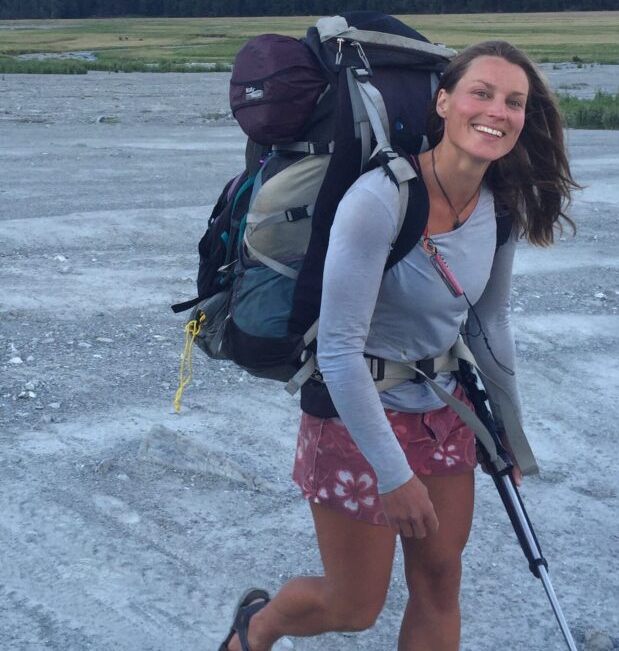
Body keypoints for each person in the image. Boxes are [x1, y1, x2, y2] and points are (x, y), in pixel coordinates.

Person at [219, 39, 577, 651]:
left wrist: (509, 438)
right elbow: (336, 349)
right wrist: (393, 474)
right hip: (354, 415)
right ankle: (258, 626)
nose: (498, 111)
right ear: (444, 102)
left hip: (443, 414)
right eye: (481, 93)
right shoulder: (379, 201)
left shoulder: (501, 207)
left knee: (440, 581)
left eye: (514, 101)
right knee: (355, 605)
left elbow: (488, 327)